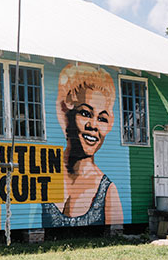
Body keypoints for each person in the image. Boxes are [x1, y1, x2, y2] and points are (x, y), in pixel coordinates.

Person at [43, 63, 123, 227]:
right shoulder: (44, 177)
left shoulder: (107, 191)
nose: (93, 125)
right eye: (85, 113)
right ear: (66, 114)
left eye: (102, 118)